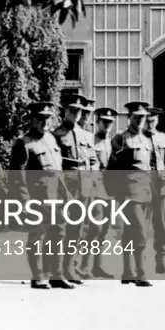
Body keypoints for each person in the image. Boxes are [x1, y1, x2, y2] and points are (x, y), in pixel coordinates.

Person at [9, 101, 73, 290]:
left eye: (48, 118)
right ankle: (38, 276)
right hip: (37, 199)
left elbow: (57, 171)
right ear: (32, 119)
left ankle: (56, 275)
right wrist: (24, 203)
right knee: (37, 236)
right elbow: (16, 178)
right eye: (40, 118)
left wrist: (66, 194)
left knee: (58, 235)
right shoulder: (24, 143)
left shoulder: (51, 140)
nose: (45, 122)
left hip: (56, 197)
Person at [107, 101, 154, 287]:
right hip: (127, 193)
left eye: (143, 117)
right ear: (129, 118)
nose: (140, 121)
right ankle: (141, 274)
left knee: (129, 232)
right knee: (141, 232)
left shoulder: (146, 140)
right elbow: (112, 167)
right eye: (136, 117)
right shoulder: (121, 139)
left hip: (144, 192)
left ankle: (127, 271)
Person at [53, 94, 99, 285]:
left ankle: (70, 268)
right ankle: (56, 271)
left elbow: (93, 160)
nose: (75, 115)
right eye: (72, 111)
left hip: (84, 186)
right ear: (65, 112)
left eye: (78, 111)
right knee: (61, 230)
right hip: (65, 187)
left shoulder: (86, 135)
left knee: (78, 230)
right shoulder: (56, 135)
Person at [79, 106, 118, 280]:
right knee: (93, 229)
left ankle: (97, 266)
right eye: (105, 122)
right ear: (98, 122)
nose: (107, 125)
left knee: (104, 230)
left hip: (111, 190)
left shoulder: (115, 142)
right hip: (95, 189)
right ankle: (83, 266)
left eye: (110, 122)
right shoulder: (91, 141)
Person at [144, 106, 165, 275]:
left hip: (161, 187)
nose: (150, 123)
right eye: (147, 121)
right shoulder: (137, 139)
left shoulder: (163, 138)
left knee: (161, 226)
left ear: (157, 121)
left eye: (153, 120)